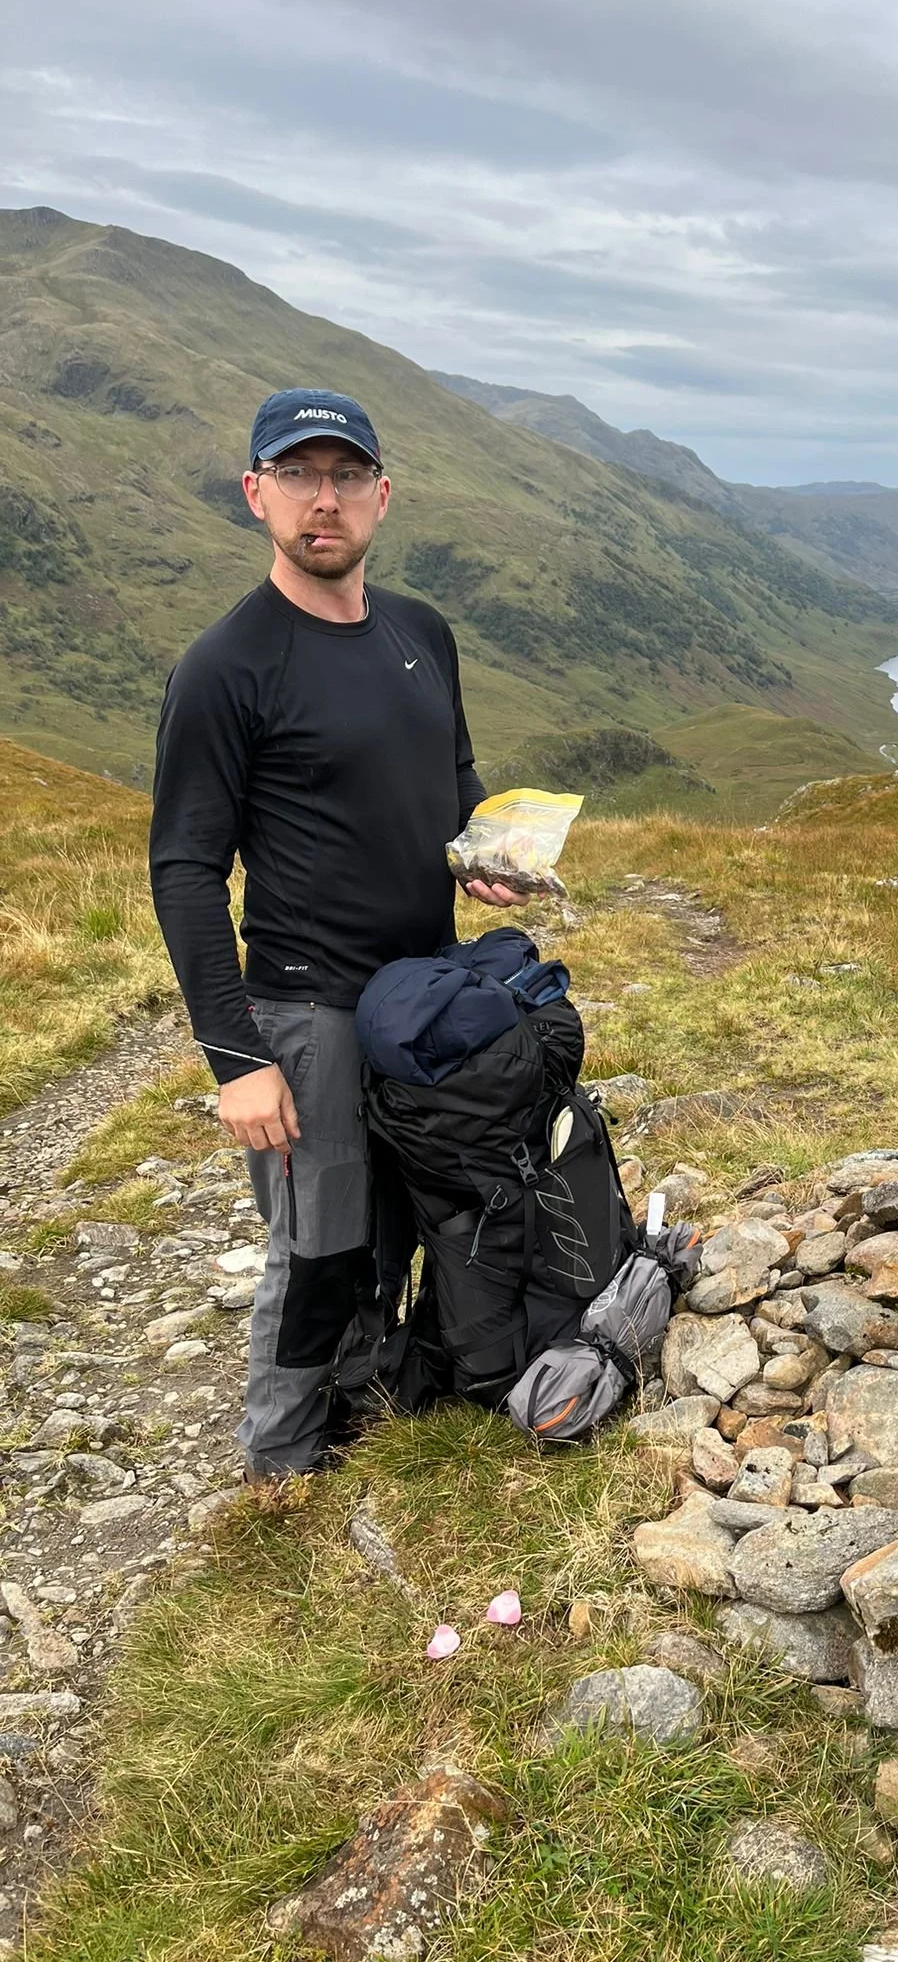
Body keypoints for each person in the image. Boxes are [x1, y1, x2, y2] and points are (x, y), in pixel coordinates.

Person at [149, 387, 523, 1479]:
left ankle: (368, 1400)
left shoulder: (422, 633)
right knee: (316, 1245)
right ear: (256, 491)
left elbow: (453, 775)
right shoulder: (227, 666)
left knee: (404, 1216)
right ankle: (277, 1465)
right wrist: (237, 1056)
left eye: (346, 475)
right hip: (308, 1011)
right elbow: (183, 868)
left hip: (424, 994)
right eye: (299, 475)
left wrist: (486, 848)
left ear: (382, 496)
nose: (326, 499)